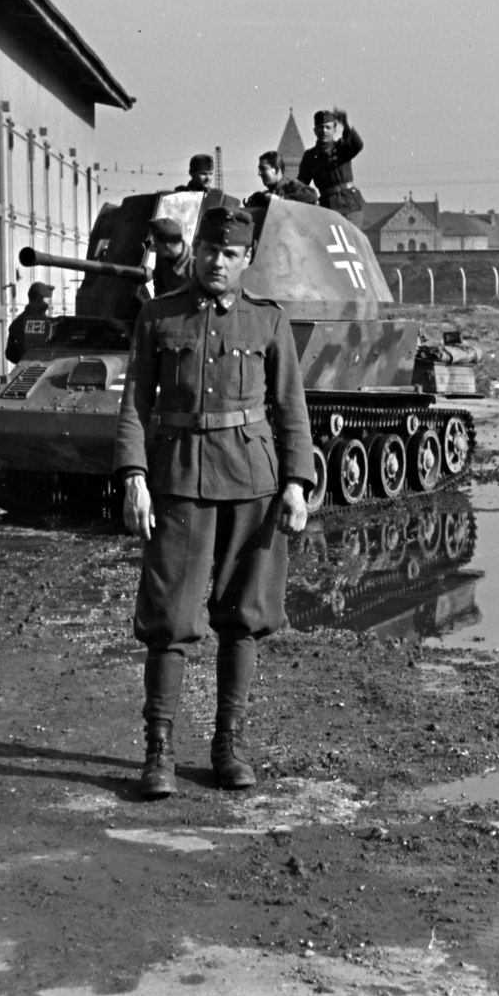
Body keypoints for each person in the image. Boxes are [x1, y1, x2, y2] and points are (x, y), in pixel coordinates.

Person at [114, 206, 315, 799]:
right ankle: (159, 753)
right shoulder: (158, 315)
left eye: (230, 254)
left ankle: (229, 746)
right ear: (194, 251)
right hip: (178, 481)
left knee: (244, 620)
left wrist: (297, 483)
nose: (217, 262)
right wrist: (134, 475)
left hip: (252, 485)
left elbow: (291, 410)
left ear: (246, 259)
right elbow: (134, 405)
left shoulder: (267, 323)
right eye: (209, 250)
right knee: (170, 622)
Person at [297, 108, 364, 225]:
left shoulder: (341, 147)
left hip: (349, 206)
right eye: (320, 127)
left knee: (349, 241)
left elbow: (357, 145)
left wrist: (346, 124)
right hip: (327, 209)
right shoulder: (310, 156)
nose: (324, 131)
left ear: (334, 130)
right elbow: (301, 185)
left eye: (328, 127)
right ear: (315, 131)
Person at [244, 151, 318, 208]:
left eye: (263, 169)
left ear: (276, 170)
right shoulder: (264, 196)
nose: (259, 173)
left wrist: (281, 200)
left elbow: (312, 196)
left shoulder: (291, 186)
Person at [4, 282, 51, 364]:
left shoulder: (17, 323)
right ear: (39, 299)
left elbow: (10, 354)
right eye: (47, 300)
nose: (48, 304)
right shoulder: (49, 324)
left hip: (23, 371)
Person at [148, 217, 193, 298]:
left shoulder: (195, 266)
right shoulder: (162, 254)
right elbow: (158, 285)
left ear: (167, 245)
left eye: (155, 242)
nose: (153, 245)